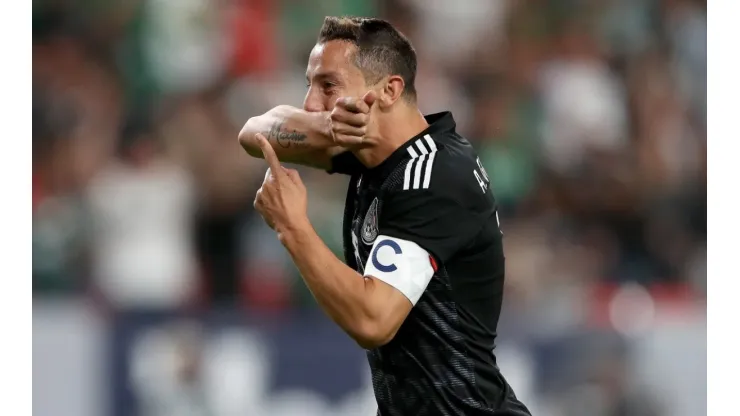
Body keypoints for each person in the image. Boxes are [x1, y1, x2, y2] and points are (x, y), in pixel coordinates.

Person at [238, 16, 531, 416]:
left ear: (389, 90)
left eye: (328, 86)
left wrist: (293, 228)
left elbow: (373, 319)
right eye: (309, 84)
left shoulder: (435, 176)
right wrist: (325, 126)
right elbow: (254, 131)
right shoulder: (370, 152)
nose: (310, 103)